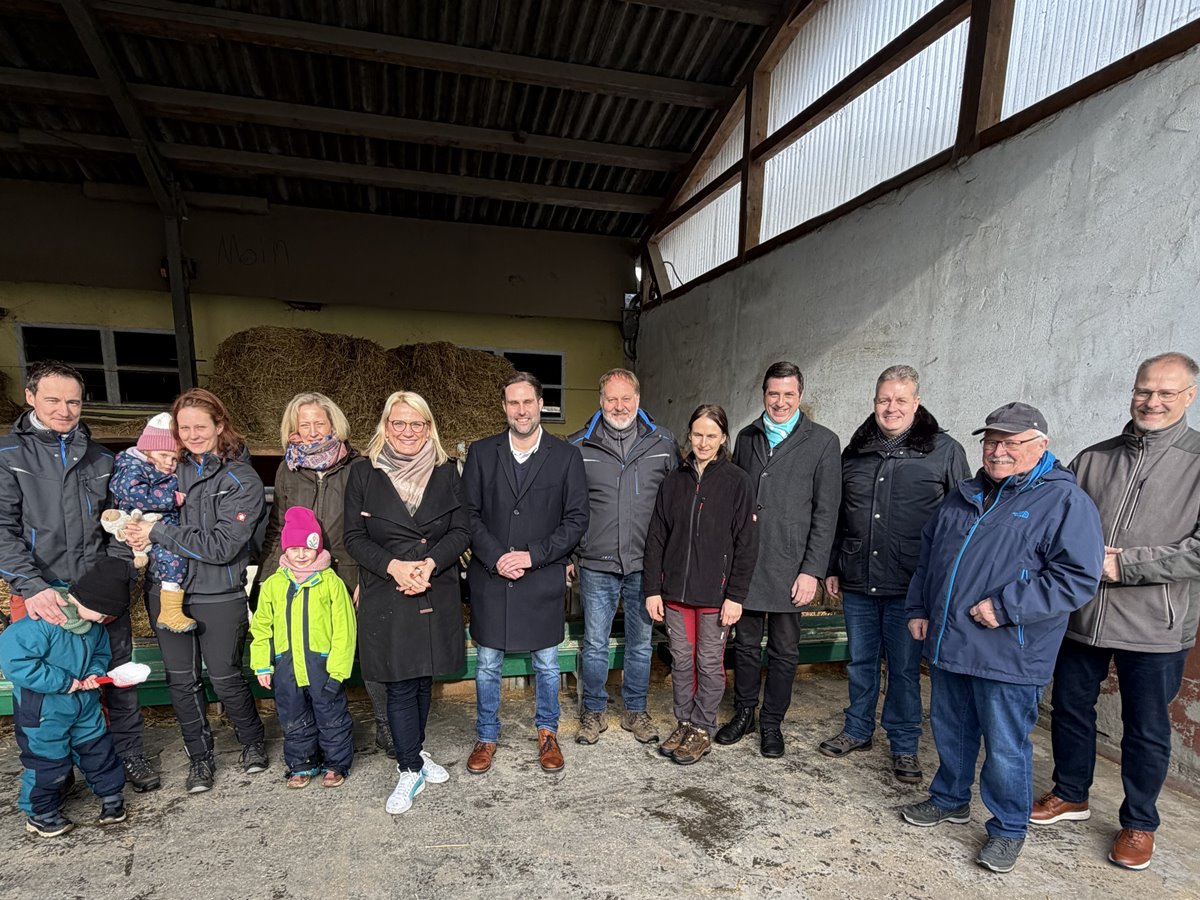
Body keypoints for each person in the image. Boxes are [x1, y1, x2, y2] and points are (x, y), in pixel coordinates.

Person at [902, 402, 1103, 875]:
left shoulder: (1064, 501)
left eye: (1011, 442)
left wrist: (1007, 607)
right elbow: (930, 556)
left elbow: (1077, 577)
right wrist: (918, 607)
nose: (997, 451)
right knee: (949, 729)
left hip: (1009, 650)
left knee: (1007, 746)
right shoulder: (964, 493)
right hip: (952, 641)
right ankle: (950, 798)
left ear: (1041, 446)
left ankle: (1008, 828)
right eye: (992, 441)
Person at [1033, 352, 1200, 871]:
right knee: (1069, 708)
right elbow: (1056, 521)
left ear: (1189, 397)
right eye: (1143, 390)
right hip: (1083, 615)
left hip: (1156, 623)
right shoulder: (1094, 457)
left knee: (1146, 726)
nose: (1151, 401)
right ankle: (1071, 793)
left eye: (1165, 393)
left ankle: (1139, 822)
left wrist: (1124, 565)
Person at [0, 360, 158, 792]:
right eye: (52, 399)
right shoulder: (8, 456)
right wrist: (31, 587)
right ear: (30, 397)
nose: (64, 409)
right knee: (42, 688)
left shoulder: (102, 459)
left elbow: (120, 526)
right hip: (43, 591)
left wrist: (114, 583)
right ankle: (54, 769)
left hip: (99, 588)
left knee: (117, 675)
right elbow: (2, 529)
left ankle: (127, 756)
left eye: (73, 401)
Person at [819, 366, 969, 783]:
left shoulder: (944, 450)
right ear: (874, 402)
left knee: (903, 667)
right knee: (861, 660)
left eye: (901, 400)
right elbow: (837, 514)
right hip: (858, 577)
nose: (891, 408)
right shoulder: (856, 451)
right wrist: (832, 565)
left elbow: (962, 520)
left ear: (916, 403)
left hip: (911, 584)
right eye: (884, 399)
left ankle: (904, 745)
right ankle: (857, 729)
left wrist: (946, 579)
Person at [122, 388, 268, 795]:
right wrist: (135, 531)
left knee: (224, 676)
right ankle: (199, 758)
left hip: (218, 591)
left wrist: (159, 531)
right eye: (183, 428)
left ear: (219, 426)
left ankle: (252, 741)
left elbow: (222, 546)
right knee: (181, 679)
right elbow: (137, 503)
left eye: (200, 427)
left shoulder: (241, 479)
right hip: (166, 591)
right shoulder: (168, 469)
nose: (192, 434)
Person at [344, 391, 469, 813]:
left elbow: (462, 530)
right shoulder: (364, 473)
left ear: (429, 428)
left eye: (417, 424)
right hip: (388, 586)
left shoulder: (447, 472)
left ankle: (414, 752)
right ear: (385, 426)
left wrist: (430, 563)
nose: (407, 432)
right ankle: (409, 767)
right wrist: (394, 567)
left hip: (432, 583)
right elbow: (353, 537)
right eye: (399, 423)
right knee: (398, 679)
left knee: (420, 677)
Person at [462, 372, 589, 775]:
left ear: (540, 405)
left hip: (540, 577)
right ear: (504, 408)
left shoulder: (565, 455)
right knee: (487, 664)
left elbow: (576, 519)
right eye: (513, 403)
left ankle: (548, 732)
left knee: (548, 665)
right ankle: (486, 735)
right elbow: (468, 515)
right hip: (493, 576)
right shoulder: (482, 454)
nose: (521, 410)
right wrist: (498, 556)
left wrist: (532, 556)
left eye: (528, 402)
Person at [716, 361, 841, 758]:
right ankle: (745, 713)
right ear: (763, 395)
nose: (780, 401)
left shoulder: (822, 441)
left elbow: (826, 512)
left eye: (788, 394)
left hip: (791, 565)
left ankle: (772, 722)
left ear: (800, 396)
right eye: (773, 394)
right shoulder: (747, 436)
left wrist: (812, 571)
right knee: (747, 645)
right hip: (750, 561)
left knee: (786, 650)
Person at [255, 393, 390, 756]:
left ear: (334, 425)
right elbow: (278, 526)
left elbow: (372, 526)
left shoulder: (357, 466)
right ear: (293, 429)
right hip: (301, 578)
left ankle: (386, 725)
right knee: (312, 656)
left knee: (368, 650)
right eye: (305, 425)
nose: (313, 432)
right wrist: (267, 578)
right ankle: (318, 741)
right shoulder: (288, 469)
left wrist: (367, 575)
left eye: (320, 423)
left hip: (348, 571)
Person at [567, 368, 678, 746]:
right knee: (595, 643)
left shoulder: (663, 443)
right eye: (611, 399)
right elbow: (566, 507)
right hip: (596, 562)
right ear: (600, 401)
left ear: (638, 398)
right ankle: (593, 712)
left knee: (641, 642)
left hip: (645, 565)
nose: (619, 406)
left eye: (626, 398)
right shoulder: (578, 445)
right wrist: (569, 553)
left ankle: (635, 711)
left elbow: (676, 502)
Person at [644, 404, 758, 765]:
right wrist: (652, 589)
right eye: (697, 434)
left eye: (711, 435)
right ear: (688, 436)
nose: (703, 442)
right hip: (676, 593)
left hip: (715, 594)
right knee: (681, 661)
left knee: (708, 663)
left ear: (724, 437)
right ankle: (683, 721)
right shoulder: (673, 481)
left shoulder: (737, 481)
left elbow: (747, 543)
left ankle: (702, 728)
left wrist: (736, 595)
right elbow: (656, 538)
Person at [0, 558, 134, 837]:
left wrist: (95, 674)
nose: (102, 620)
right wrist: (63, 682)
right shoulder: (42, 623)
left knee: (98, 749)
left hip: (84, 703)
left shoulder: (93, 627)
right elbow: (16, 662)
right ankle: (40, 812)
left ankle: (111, 797)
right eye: (101, 612)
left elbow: (101, 655)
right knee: (48, 761)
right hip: (43, 709)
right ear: (85, 599)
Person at [251, 507, 356, 790]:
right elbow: (261, 627)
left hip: (322, 666)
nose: (300, 554)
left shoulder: (330, 583)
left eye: (306, 547)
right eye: (294, 547)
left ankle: (336, 764)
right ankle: (302, 764)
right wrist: (262, 662)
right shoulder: (274, 584)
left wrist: (338, 670)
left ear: (317, 546)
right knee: (293, 717)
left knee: (331, 717)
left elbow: (345, 630)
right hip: (287, 666)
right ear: (285, 548)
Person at [109, 412, 195, 634]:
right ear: (146, 451)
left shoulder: (152, 467)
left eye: (175, 458)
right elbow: (131, 493)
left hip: (156, 524)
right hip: (139, 521)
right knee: (173, 557)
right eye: (164, 455)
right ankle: (170, 610)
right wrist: (171, 498)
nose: (170, 462)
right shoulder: (131, 467)